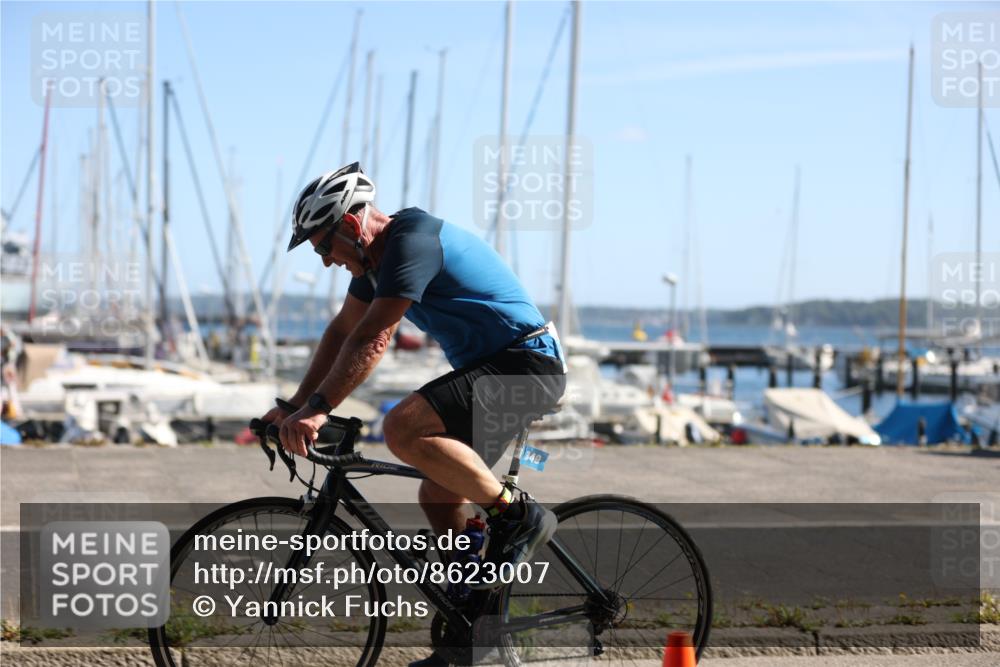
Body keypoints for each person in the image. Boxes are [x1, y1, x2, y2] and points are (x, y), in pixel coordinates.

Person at [261, 163, 567, 664]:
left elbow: (373, 337)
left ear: (351, 225)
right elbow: (342, 332)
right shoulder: (373, 264)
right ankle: (471, 637)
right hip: (500, 370)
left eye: (322, 247)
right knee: (439, 495)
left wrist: (318, 410)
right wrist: (294, 406)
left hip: (525, 364)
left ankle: (519, 516)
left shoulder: (411, 242)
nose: (326, 261)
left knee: (403, 426)